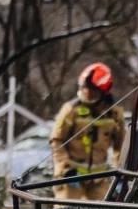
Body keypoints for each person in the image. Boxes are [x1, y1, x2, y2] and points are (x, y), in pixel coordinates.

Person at [49, 63, 126, 201]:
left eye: (92, 91)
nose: (87, 94)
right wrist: (67, 168)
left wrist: (122, 172)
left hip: (98, 179)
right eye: (84, 89)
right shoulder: (71, 110)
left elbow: (121, 147)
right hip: (71, 176)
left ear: (104, 91)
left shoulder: (115, 114)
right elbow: (57, 141)